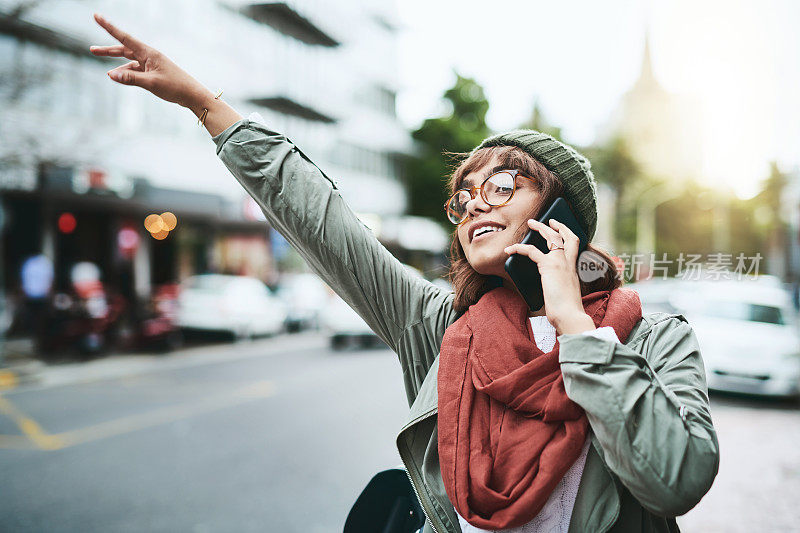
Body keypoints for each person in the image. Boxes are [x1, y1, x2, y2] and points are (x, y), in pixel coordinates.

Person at [90, 14, 719, 533]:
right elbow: (322, 220)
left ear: (562, 215)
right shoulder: (442, 328)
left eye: (502, 185)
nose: (475, 201)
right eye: (464, 194)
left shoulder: (652, 337)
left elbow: (676, 481)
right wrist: (206, 105)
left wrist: (578, 331)